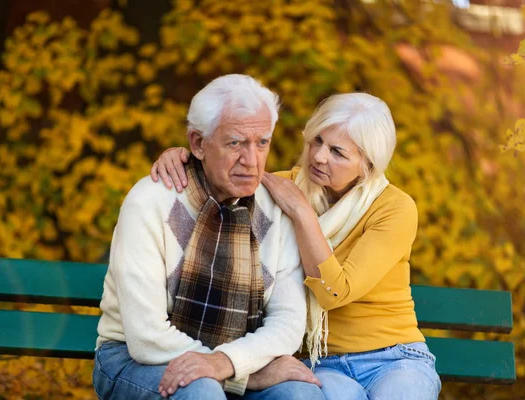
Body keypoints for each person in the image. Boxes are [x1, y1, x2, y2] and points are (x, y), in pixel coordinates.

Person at [152, 92, 442, 400]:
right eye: (317, 141)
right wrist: (182, 157)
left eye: (337, 152)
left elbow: (334, 292)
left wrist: (303, 212)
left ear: (366, 165)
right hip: (320, 364)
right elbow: (221, 176)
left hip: (393, 359)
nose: (319, 156)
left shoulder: (394, 208)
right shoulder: (282, 188)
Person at [93, 74, 325, 400]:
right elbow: (146, 337)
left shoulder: (275, 210)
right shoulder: (150, 202)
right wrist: (239, 377)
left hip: (238, 360)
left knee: (302, 396)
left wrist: (226, 363)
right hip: (133, 360)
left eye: (262, 142)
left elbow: (287, 321)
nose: (251, 160)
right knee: (201, 392)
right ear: (198, 144)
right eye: (235, 143)